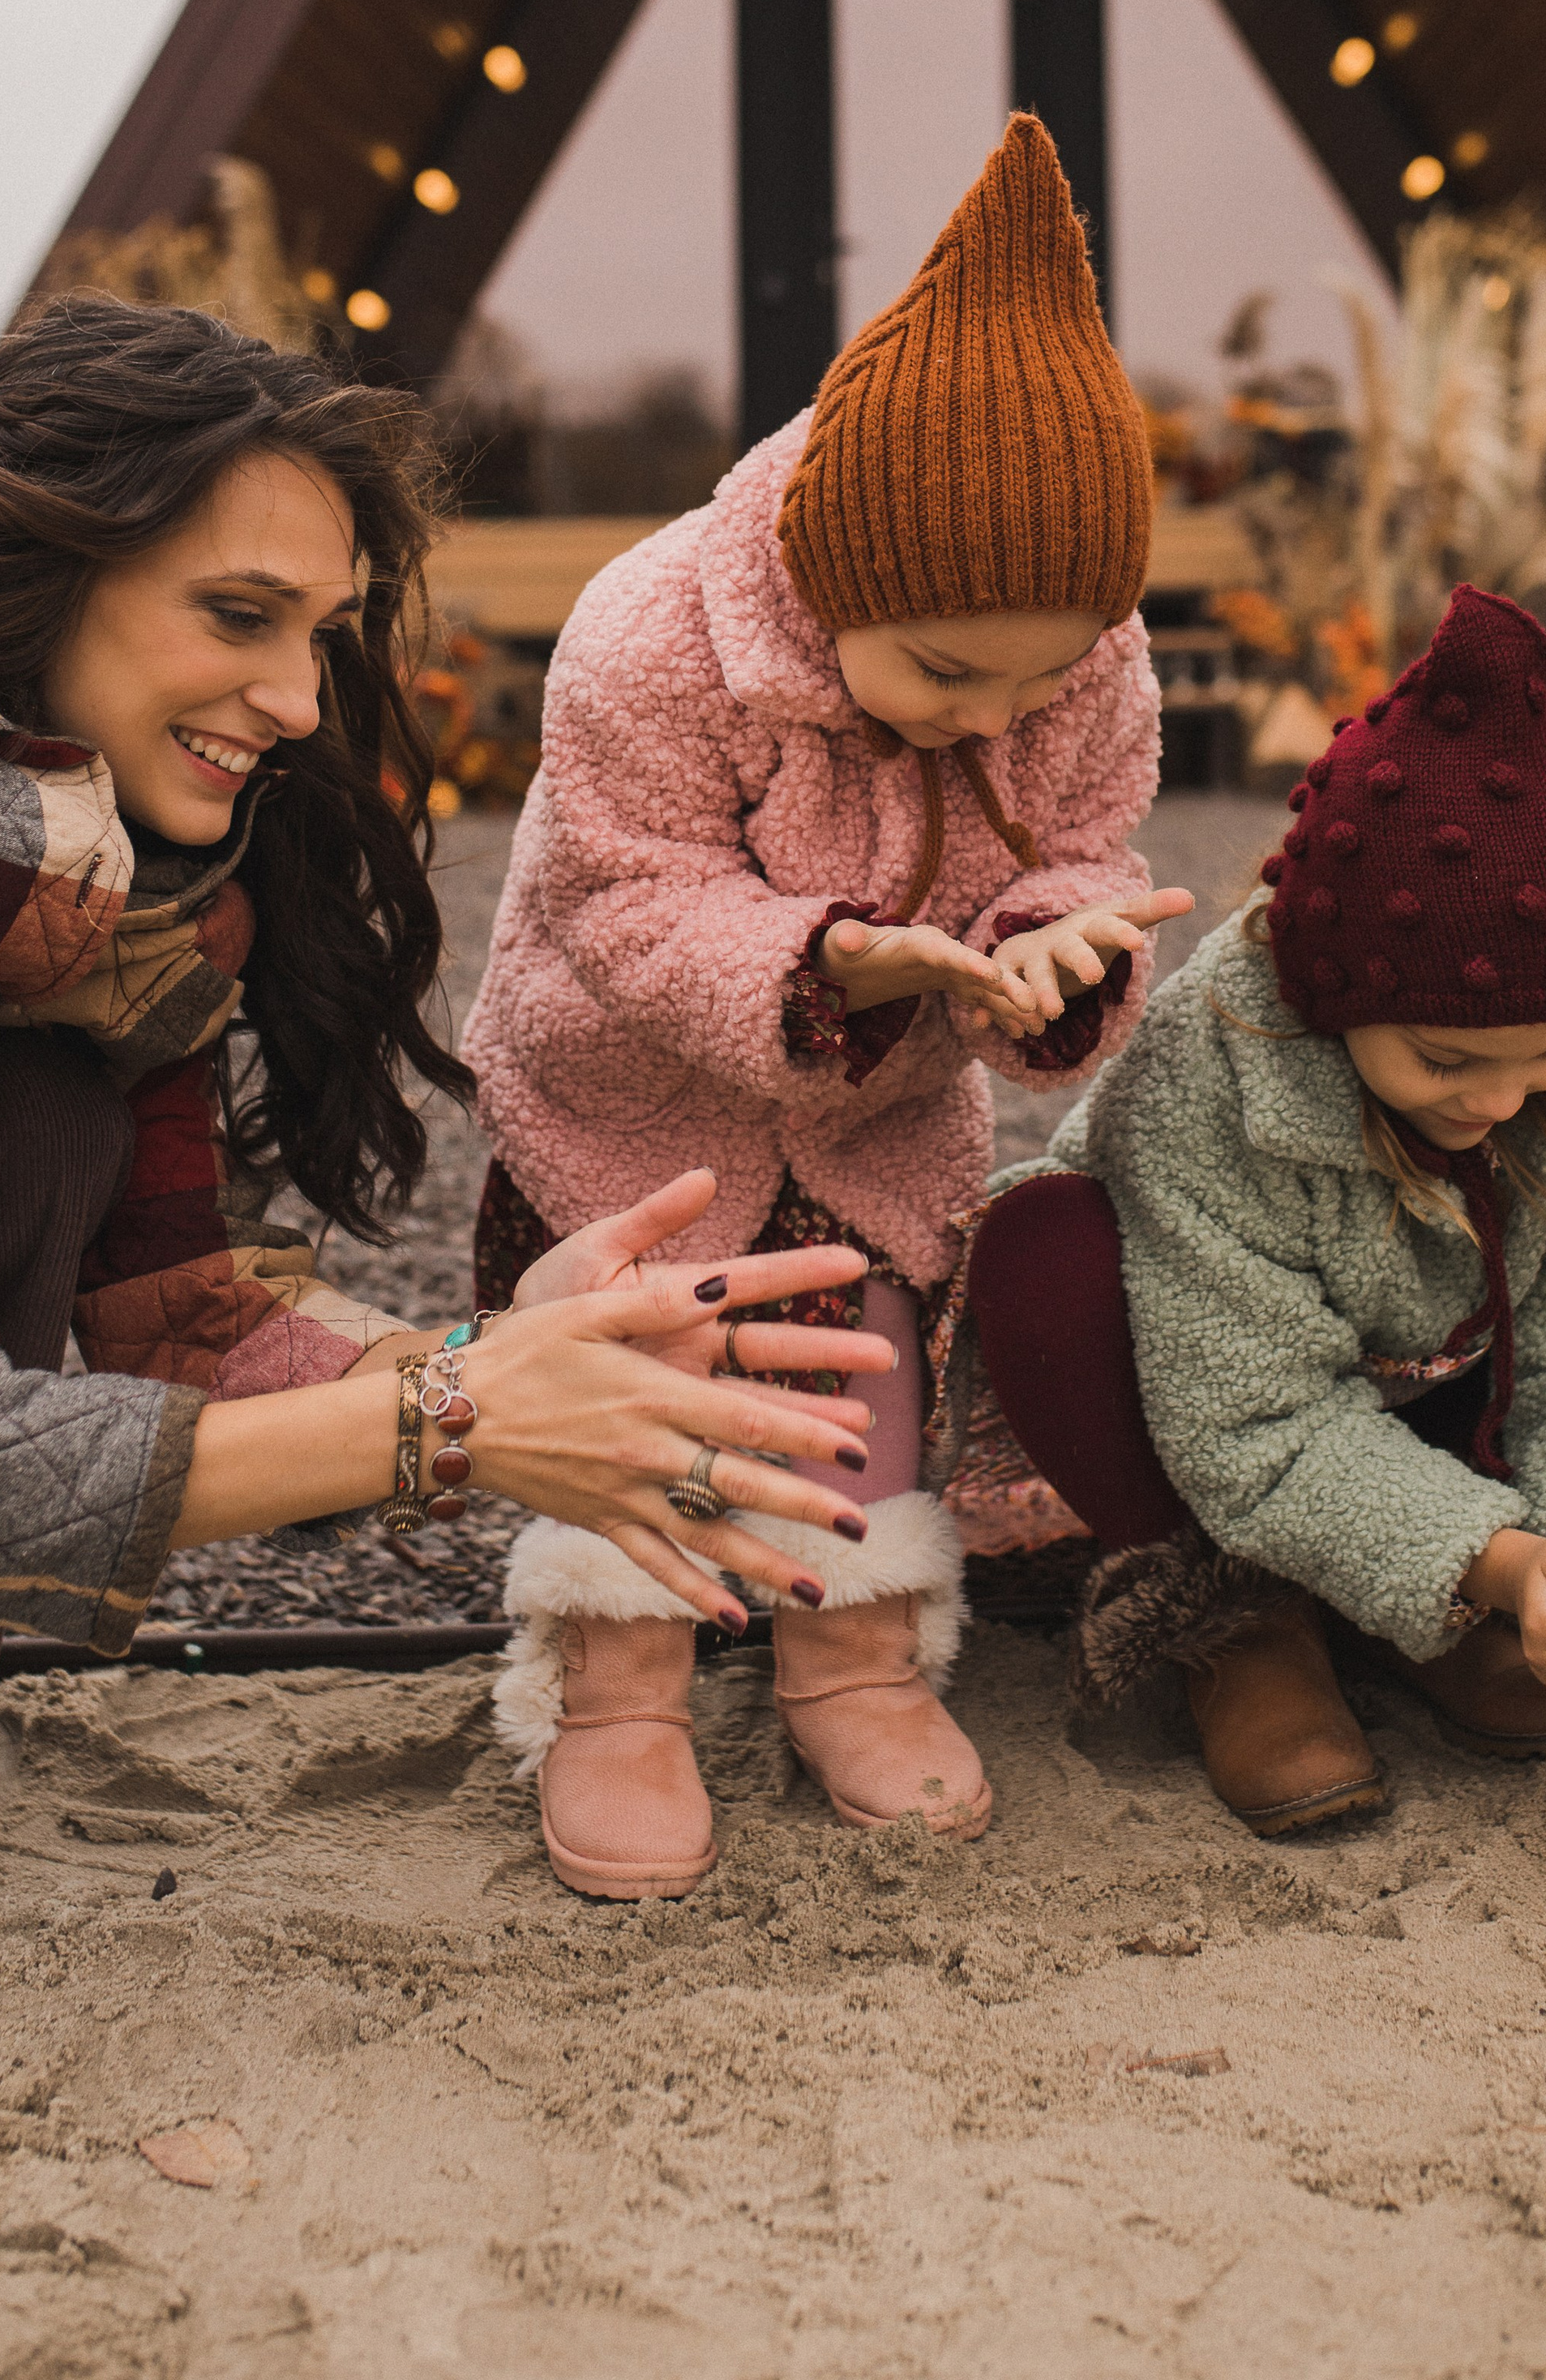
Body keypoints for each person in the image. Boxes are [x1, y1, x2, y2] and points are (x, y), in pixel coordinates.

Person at [0, 298, 892, 1949]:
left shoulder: (97, 903)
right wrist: (456, 1418)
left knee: (31, 1098)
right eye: (237, 613)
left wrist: (503, 1350)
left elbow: (179, 1316)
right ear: (40, 569)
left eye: (324, 632)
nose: (297, 698)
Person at [467, 114, 1193, 1898]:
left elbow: (1088, 847)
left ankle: (847, 1646)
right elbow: (619, 895)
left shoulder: (1071, 653)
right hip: (620, 1097)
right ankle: (618, 1680)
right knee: (641, 1348)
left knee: (859, 1355)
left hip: (874, 1112)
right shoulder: (649, 635)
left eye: (1037, 677)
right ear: (836, 574)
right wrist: (834, 962)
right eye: (945, 673)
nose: (982, 717)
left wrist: (1056, 946)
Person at [965, 584, 1546, 1837]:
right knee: (1041, 1257)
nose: (1500, 1098)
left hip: (1450, 1362)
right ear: (1331, 999)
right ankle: (1240, 1618)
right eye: (1444, 1062)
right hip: (1214, 1410)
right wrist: (1506, 1563)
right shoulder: (1213, 1063)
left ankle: (1447, 1610)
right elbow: (1251, 1417)